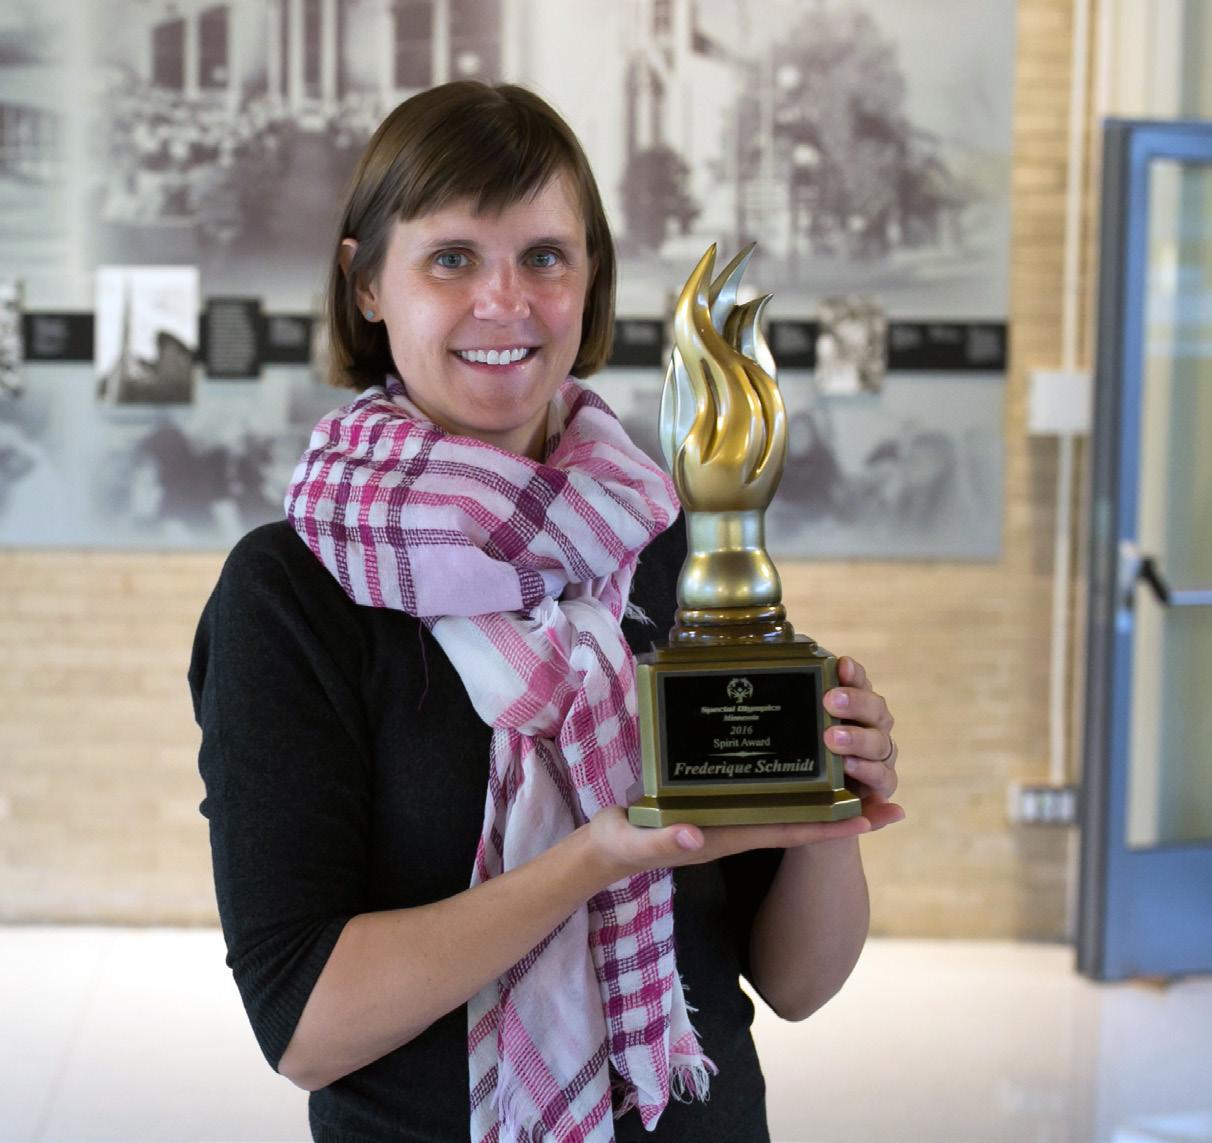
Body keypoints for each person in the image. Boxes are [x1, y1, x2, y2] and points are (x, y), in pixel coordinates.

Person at [190, 81, 903, 1143]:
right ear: (367, 282)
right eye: (451, 258)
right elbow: (307, 1026)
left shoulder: (663, 543)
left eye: (544, 257)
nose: (505, 301)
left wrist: (830, 818)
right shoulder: (291, 594)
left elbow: (797, 984)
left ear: (591, 280)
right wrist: (596, 858)